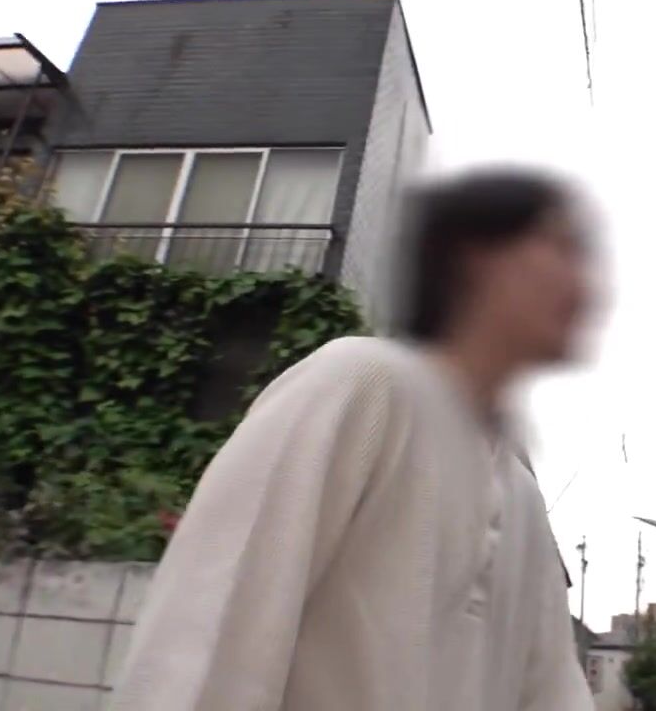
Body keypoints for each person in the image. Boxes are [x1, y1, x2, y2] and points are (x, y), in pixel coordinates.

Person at [110, 167, 596, 711]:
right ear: (476, 259)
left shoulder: (524, 502)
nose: (586, 285)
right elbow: (206, 632)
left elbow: (556, 693)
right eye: (562, 248)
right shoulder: (361, 383)